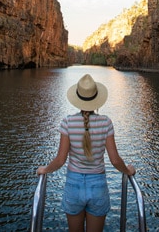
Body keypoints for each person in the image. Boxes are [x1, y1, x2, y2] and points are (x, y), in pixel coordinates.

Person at [37, 74, 136, 232]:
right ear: (97, 99)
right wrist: (128, 171)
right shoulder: (106, 122)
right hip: (98, 187)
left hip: (73, 186)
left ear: (78, 98)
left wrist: (45, 170)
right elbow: (115, 161)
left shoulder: (67, 122)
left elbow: (60, 159)